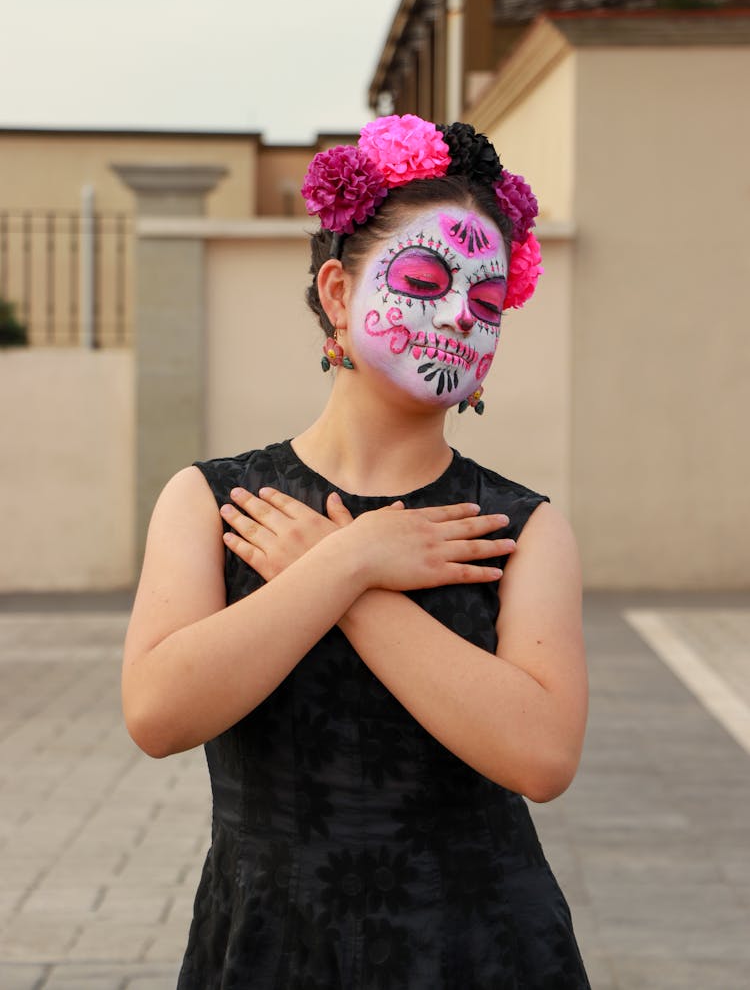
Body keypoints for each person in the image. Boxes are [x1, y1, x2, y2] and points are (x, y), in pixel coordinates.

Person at [122, 115, 590, 989]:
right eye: (424, 278)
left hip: (480, 947)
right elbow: (157, 714)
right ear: (338, 292)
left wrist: (355, 577)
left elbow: (543, 757)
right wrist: (349, 558)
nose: (458, 315)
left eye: (486, 304)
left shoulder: (520, 527)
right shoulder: (212, 501)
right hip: (267, 944)